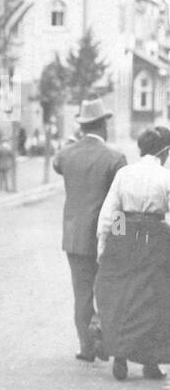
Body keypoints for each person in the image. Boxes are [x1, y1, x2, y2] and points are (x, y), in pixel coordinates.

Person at [94, 126, 170, 381]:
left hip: (123, 232)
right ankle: (150, 362)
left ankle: (120, 357)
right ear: (165, 150)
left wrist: (108, 243)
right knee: (153, 299)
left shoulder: (125, 174)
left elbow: (112, 212)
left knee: (122, 295)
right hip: (155, 237)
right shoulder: (165, 176)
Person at [53, 98, 126, 362]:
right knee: (108, 292)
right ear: (103, 125)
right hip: (106, 238)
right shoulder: (115, 158)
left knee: (82, 295)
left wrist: (74, 139)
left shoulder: (66, 154)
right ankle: (107, 344)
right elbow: (121, 203)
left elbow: (56, 163)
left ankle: (86, 348)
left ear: (83, 126)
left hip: (74, 238)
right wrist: (120, 236)